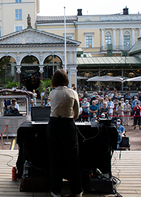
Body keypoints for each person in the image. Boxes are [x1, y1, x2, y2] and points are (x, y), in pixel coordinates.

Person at [47, 69, 82, 197]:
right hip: (67, 125)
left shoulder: (52, 93)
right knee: (72, 159)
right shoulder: (73, 93)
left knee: (55, 159)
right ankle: (76, 190)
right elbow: (76, 114)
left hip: (53, 125)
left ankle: (55, 190)